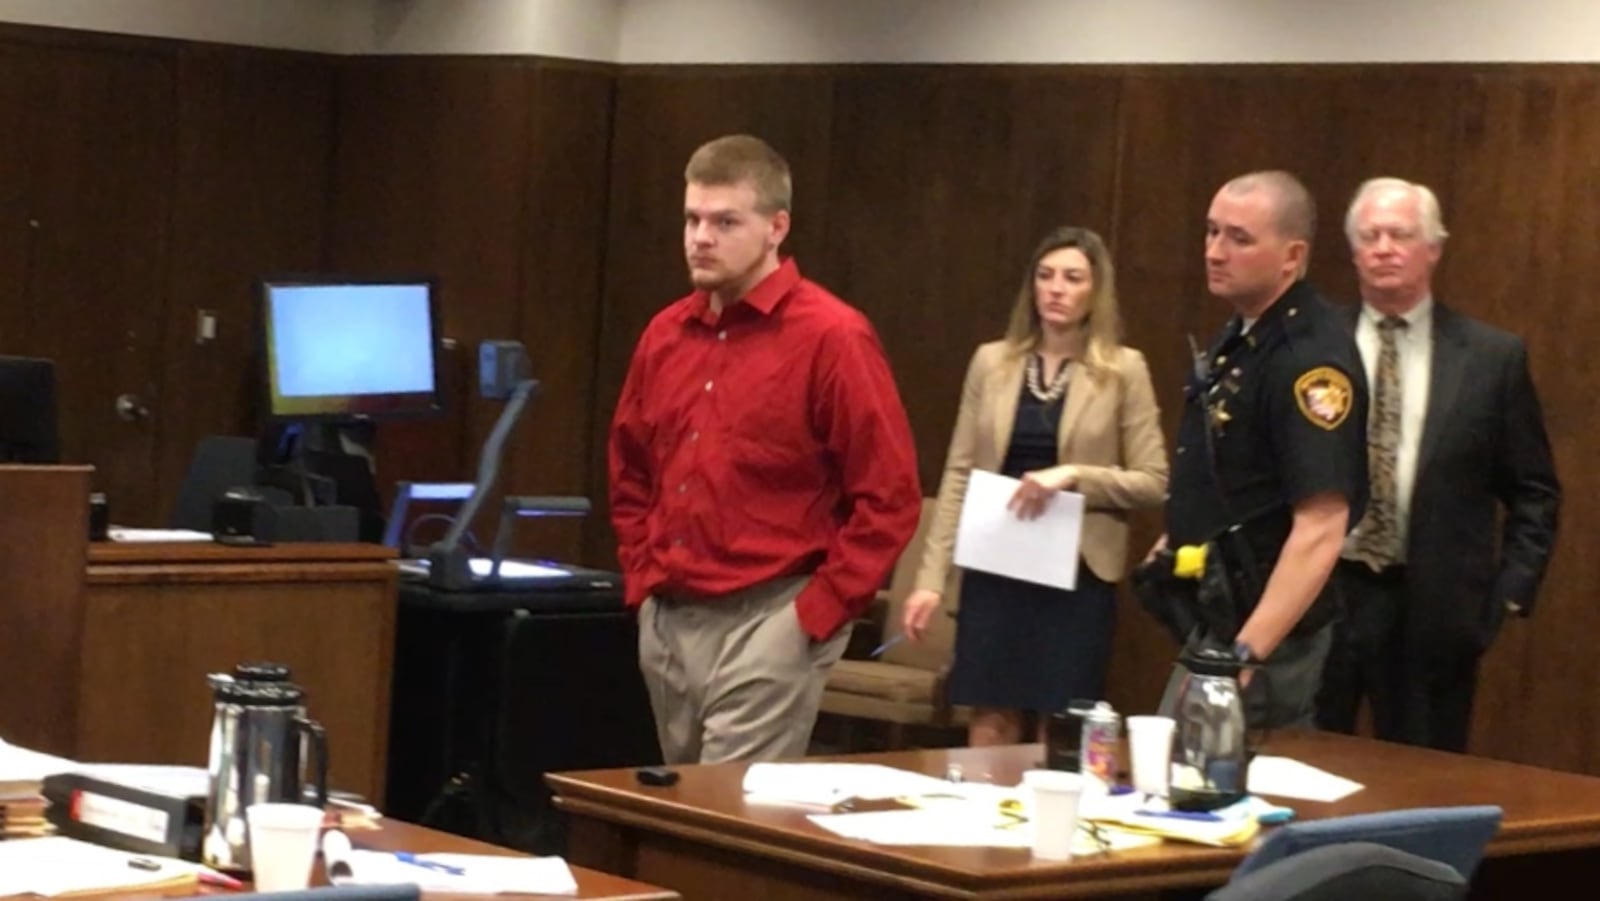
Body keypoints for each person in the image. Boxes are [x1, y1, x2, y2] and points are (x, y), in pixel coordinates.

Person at [607, 134, 922, 765]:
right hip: (671, 611)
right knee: (677, 813)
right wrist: (642, 579)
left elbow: (888, 496)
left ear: (777, 227)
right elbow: (631, 468)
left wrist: (814, 614)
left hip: (772, 610)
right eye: (693, 219)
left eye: (726, 222)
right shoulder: (666, 333)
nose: (701, 237)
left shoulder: (832, 336)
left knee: (725, 818)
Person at [1316, 177, 1560, 752]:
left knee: (1425, 778)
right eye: (1369, 235)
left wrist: (1507, 592)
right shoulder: (1314, 344)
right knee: (1306, 766)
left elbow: (1534, 490)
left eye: (1400, 234)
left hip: (1434, 607)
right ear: (1352, 250)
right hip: (1324, 596)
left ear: (1433, 248)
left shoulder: (1491, 359)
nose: (1383, 248)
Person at [901, 226, 1170, 746]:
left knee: (1058, 723)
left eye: (1072, 278)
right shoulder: (992, 362)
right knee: (989, 714)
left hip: (1074, 574)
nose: (1056, 289)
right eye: (1045, 276)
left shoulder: (1123, 370)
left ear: (1096, 290)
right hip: (996, 563)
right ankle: (983, 824)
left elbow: (1153, 482)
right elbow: (959, 472)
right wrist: (931, 578)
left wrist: (1074, 477)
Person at [1151, 170, 1370, 730]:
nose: (1215, 252)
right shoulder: (1247, 334)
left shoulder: (1309, 359)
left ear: (1291, 256)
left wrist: (1245, 656)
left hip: (1266, 632)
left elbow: (1322, 523)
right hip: (1222, 612)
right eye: (1211, 232)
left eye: (1239, 238)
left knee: (1225, 797)